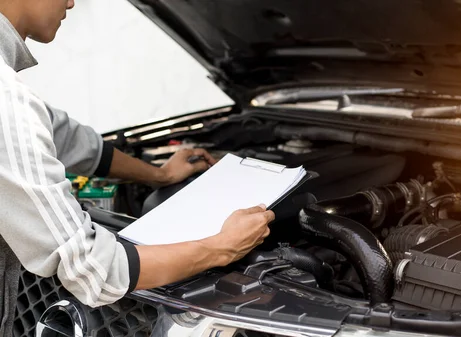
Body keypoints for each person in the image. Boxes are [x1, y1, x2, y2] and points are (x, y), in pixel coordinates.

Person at [0, 0, 275, 334]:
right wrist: (221, 247)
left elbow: (68, 138)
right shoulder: (6, 99)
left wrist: (159, 174)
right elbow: (93, 269)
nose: (72, 1)